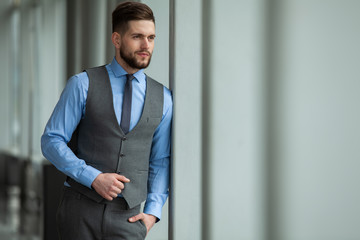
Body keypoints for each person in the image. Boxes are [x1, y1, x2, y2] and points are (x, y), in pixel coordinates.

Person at [41, 2, 172, 239]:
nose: (146, 46)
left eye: (151, 37)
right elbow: (52, 141)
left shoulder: (164, 98)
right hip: (79, 211)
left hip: (129, 218)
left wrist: (153, 212)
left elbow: (160, 160)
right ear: (117, 39)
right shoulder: (82, 84)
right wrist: (93, 177)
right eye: (137, 37)